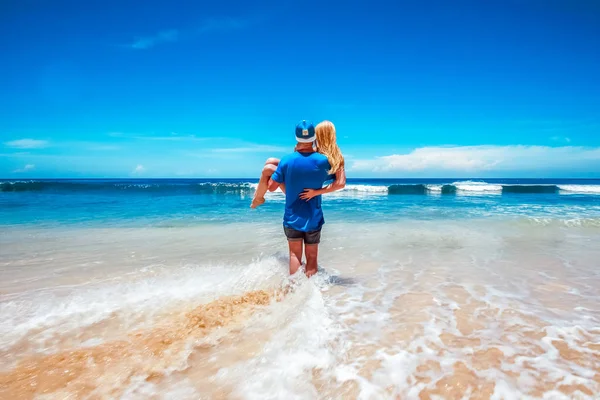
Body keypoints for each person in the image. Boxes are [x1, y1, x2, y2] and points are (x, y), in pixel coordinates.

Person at [266, 120, 345, 277]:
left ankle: (295, 290)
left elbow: (273, 185)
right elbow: (340, 183)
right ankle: (311, 293)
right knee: (312, 256)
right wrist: (316, 192)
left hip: (292, 216)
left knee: (294, 255)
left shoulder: (288, 159)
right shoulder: (326, 161)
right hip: (313, 217)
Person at [250, 120, 346, 208]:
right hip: (301, 180)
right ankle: (258, 197)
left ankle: (258, 198)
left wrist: (316, 192)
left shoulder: (335, 156)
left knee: (269, 168)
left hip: (300, 191)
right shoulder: (320, 152)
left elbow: (340, 183)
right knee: (271, 161)